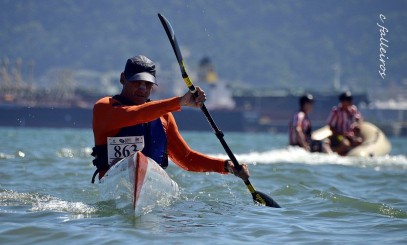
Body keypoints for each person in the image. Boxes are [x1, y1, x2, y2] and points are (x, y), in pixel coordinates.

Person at [90, 55, 249, 183]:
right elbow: (134, 114)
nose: (143, 88)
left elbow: (187, 159)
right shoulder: (105, 107)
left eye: (148, 83)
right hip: (112, 182)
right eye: (136, 82)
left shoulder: (164, 116)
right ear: (123, 78)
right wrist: (179, 101)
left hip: (153, 185)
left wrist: (226, 166)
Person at [326, 91, 363, 155]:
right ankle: (334, 155)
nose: (350, 102)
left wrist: (357, 125)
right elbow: (331, 126)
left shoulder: (353, 109)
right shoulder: (336, 111)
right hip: (339, 136)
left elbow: (359, 118)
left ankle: (351, 154)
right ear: (342, 101)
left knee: (359, 141)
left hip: (350, 135)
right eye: (348, 100)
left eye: (350, 100)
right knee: (345, 144)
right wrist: (341, 134)